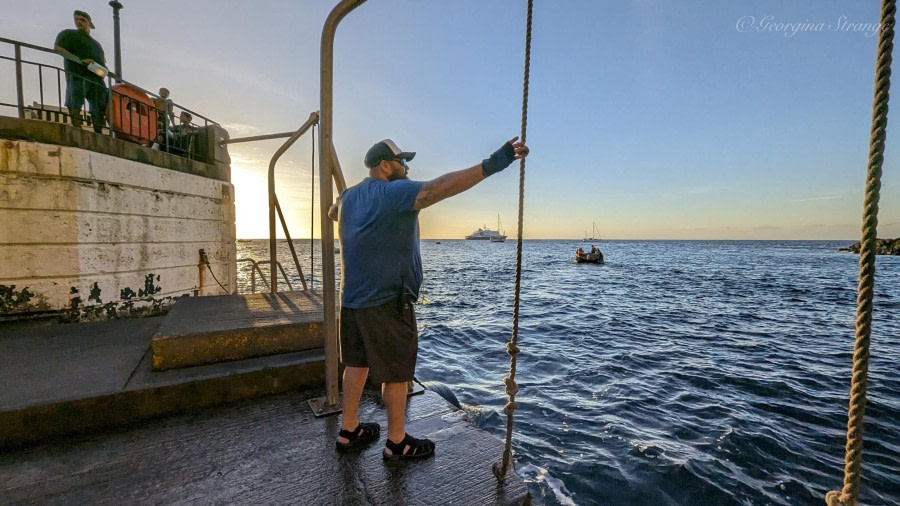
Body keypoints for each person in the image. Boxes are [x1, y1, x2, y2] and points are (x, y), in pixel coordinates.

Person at [331, 137, 528, 461]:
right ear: (385, 166)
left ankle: (348, 430)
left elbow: (332, 212)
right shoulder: (393, 193)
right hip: (388, 302)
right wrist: (495, 162)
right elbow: (439, 188)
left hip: (351, 300)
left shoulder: (349, 196)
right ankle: (397, 443)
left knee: (356, 364)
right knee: (396, 373)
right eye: (402, 162)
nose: (407, 167)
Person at [54, 10, 108, 133]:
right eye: (77, 19)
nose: (79, 22)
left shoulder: (96, 45)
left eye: (82, 20)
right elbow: (58, 49)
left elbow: (103, 64)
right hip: (77, 74)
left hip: (96, 79)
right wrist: (80, 61)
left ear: (90, 24)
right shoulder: (68, 34)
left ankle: (98, 131)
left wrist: (102, 70)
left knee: (98, 105)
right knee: (75, 101)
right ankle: (76, 127)